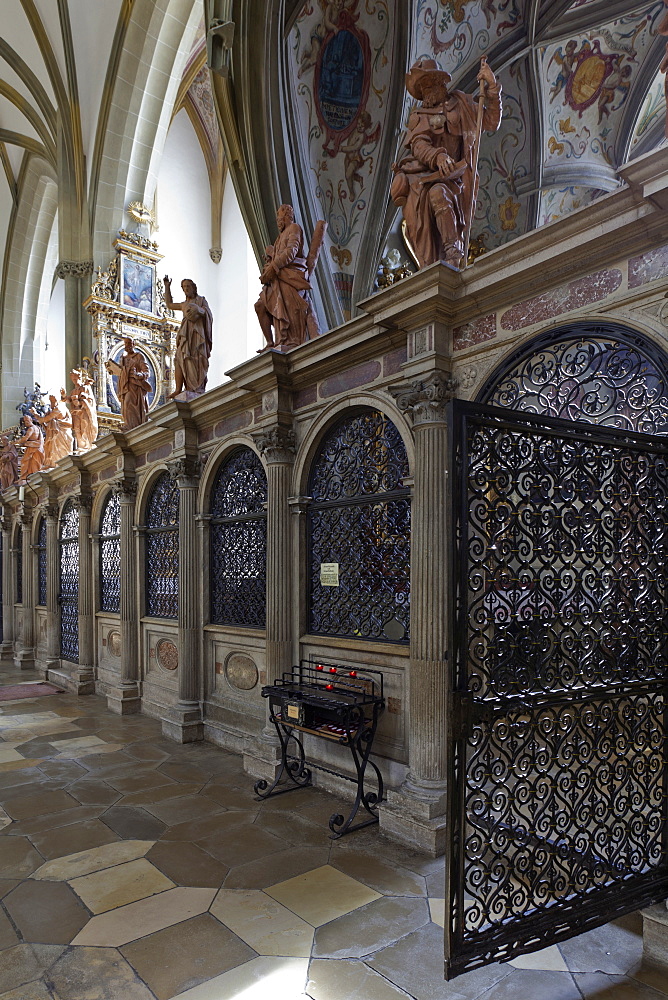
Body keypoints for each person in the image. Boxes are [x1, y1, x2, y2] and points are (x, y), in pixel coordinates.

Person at [391, 58, 502, 269]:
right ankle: (444, 254)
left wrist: (492, 87)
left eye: (427, 85)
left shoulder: (462, 105)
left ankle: (453, 249)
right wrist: (438, 157)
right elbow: (418, 145)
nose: (425, 93)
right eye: (421, 89)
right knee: (432, 198)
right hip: (425, 179)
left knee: (440, 193)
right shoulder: (420, 115)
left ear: (439, 82)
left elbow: (491, 121)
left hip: (456, 179)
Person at [255, 204, 324, 351]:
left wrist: (274, 267)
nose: (277, 220)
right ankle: (270, 342)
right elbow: (278, 255)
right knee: (260, 305)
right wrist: (270, 258)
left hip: (290, 277)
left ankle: (290, 341)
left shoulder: (294, 228)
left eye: (278, 216)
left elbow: (292, 251)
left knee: (289, 313)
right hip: (278, 278)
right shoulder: (280, 237)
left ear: (286, 215)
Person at [163, 277, 213, 397]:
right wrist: (167, 287)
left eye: (188, 287)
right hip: (185, 335)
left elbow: (208, 314)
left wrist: (198, 310)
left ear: (193, 288)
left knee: (195, 358)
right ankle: (178, 389)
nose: (186, 289)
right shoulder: (184, 304)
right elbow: (169, 305)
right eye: (184, 287)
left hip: (197, 335)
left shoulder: (201, 300)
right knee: (179, 358)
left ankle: (196, 387)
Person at [105, 337, 151, 431]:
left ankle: (133, 426)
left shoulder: (138, 356)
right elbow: (121, 372)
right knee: (125, 407)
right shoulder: (123, 358)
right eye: (126, 343)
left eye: (129, 343)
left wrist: (138, 374)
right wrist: (112, 369)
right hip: (125, 386)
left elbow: (147, 372)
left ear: (133, 344)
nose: (127, 346)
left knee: (130, 403)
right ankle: (129, 424)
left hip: (135, 387)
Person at [30, 394, 73, 468]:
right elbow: (46, 420)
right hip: (55, 433)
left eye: (52, 401)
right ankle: (52, 464)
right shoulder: (54, 410)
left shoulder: (59, 409)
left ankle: (57, 465)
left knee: (59, 450)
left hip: (60, 434)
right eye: (51, 401)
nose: (51, 404)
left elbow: (43, 420)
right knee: (51, 449)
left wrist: (35, 413)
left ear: (57, 401)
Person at [61, 369, 98, 452]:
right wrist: (64, 396)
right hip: (75, 413)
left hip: (84, 412)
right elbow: (69, 400)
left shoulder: (85, 387)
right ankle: (81, 446)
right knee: (77, 429)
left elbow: (90, 400)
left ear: (80, 378)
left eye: (75, 379)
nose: (74, 381)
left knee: (84, 427)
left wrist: (80, 403)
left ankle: (86, 446)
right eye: (73, 380)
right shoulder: (74, 390)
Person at [17, 414, 44, 482]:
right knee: (33, 462)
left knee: (29, 462)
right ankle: (32, 476)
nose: (26, 422)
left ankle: (29, 477)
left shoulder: (31, 428)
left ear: (31, 420)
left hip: (33, 448)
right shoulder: (37, 427)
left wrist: (15, 442)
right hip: (37, 448)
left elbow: (25, 438)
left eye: (27, 420)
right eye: (25, 421)